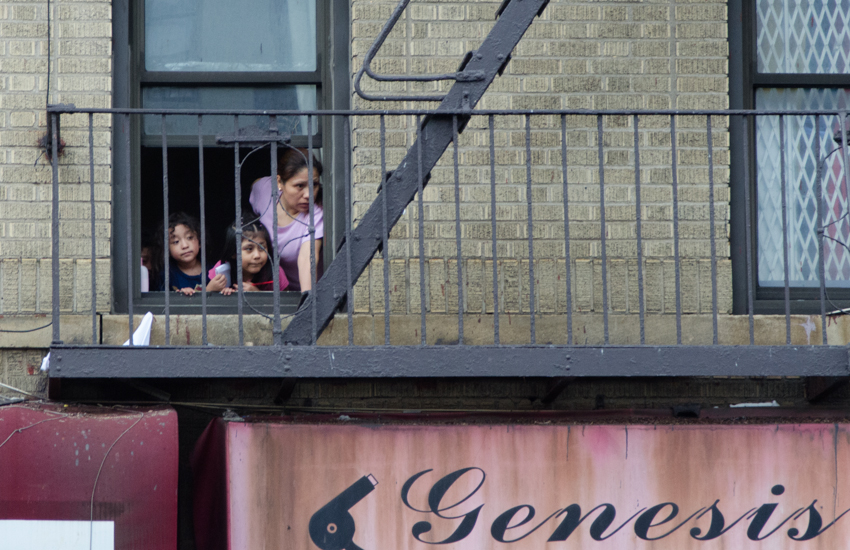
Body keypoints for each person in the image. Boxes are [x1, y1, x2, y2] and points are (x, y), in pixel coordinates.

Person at [249, 147, 323, 292]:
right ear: (279, 182)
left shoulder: (316, 214)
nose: (308, 195)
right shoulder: (265, 191)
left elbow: (307, 259)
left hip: (300, 293)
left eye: (314, 185)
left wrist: (307, 302)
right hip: (269, 290)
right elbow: (254, 185)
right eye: (299, 186)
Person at [207, 220, 288, 294]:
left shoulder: (275, 272)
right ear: (233, 252)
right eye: (249, 249)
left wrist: (258, 294)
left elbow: (286, 303)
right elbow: (201, 304)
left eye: (262, 248)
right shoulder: (222, 269)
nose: (257, 255)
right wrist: (211, 289)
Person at [157, 212, 214, 295]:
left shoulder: (212, 270)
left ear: (200, 241)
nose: (185, 245)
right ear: (167, 250)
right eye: (176, 242)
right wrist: (182, 298)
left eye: (190, 237)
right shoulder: (167, 275)